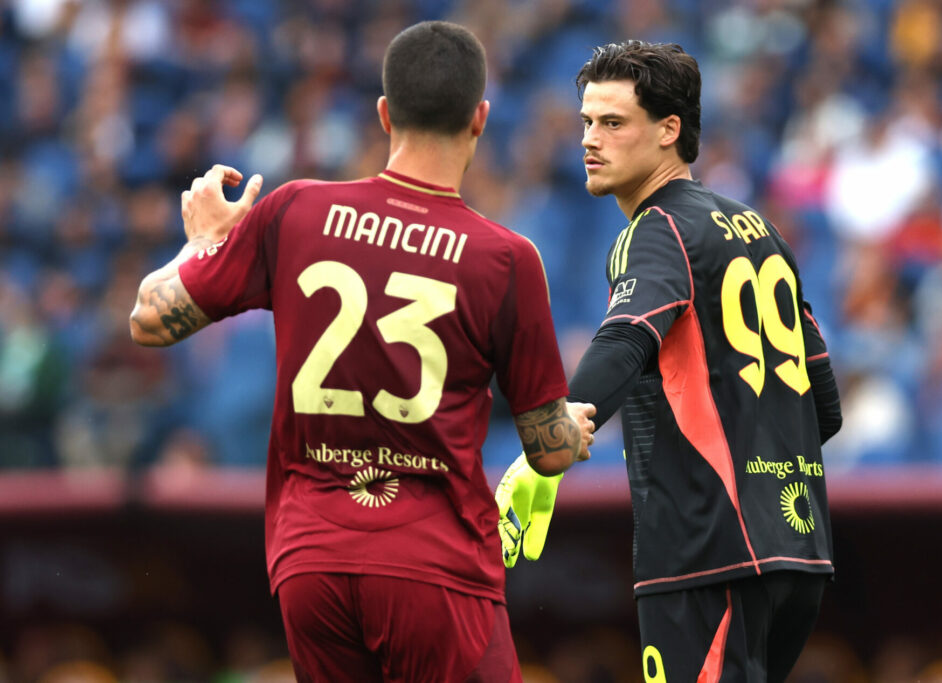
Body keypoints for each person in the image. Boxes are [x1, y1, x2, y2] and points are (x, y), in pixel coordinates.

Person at [129, 21, 595, 683]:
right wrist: (571, 429)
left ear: (384, 114)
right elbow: (548, 449)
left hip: (310, 563)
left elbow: (149, 320)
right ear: (480, 118)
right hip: (434, 569)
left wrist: (203, 241)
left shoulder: (295, 210)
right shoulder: (505, 258)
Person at [497, 41, 842, 681]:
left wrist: (548, 444)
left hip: (707, 555)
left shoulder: (656, 229)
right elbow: (825, 408)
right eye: (586, 122)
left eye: (613, 122)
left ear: (669, 130)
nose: (589, 139)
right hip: (798, 552)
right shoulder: (761, 230)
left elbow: (624, 340)